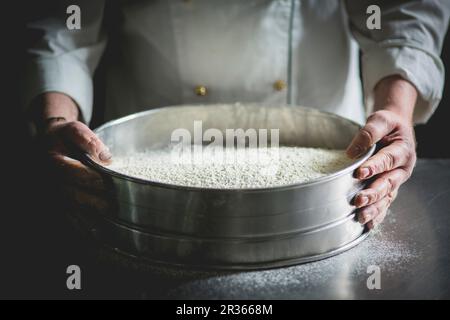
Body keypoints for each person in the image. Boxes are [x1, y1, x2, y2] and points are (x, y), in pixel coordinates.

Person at [25, 0, 450, 229]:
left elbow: (402, 9)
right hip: (142, 162)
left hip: (329, 161)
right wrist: (56, 122)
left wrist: (395, 109)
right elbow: (63, 18)